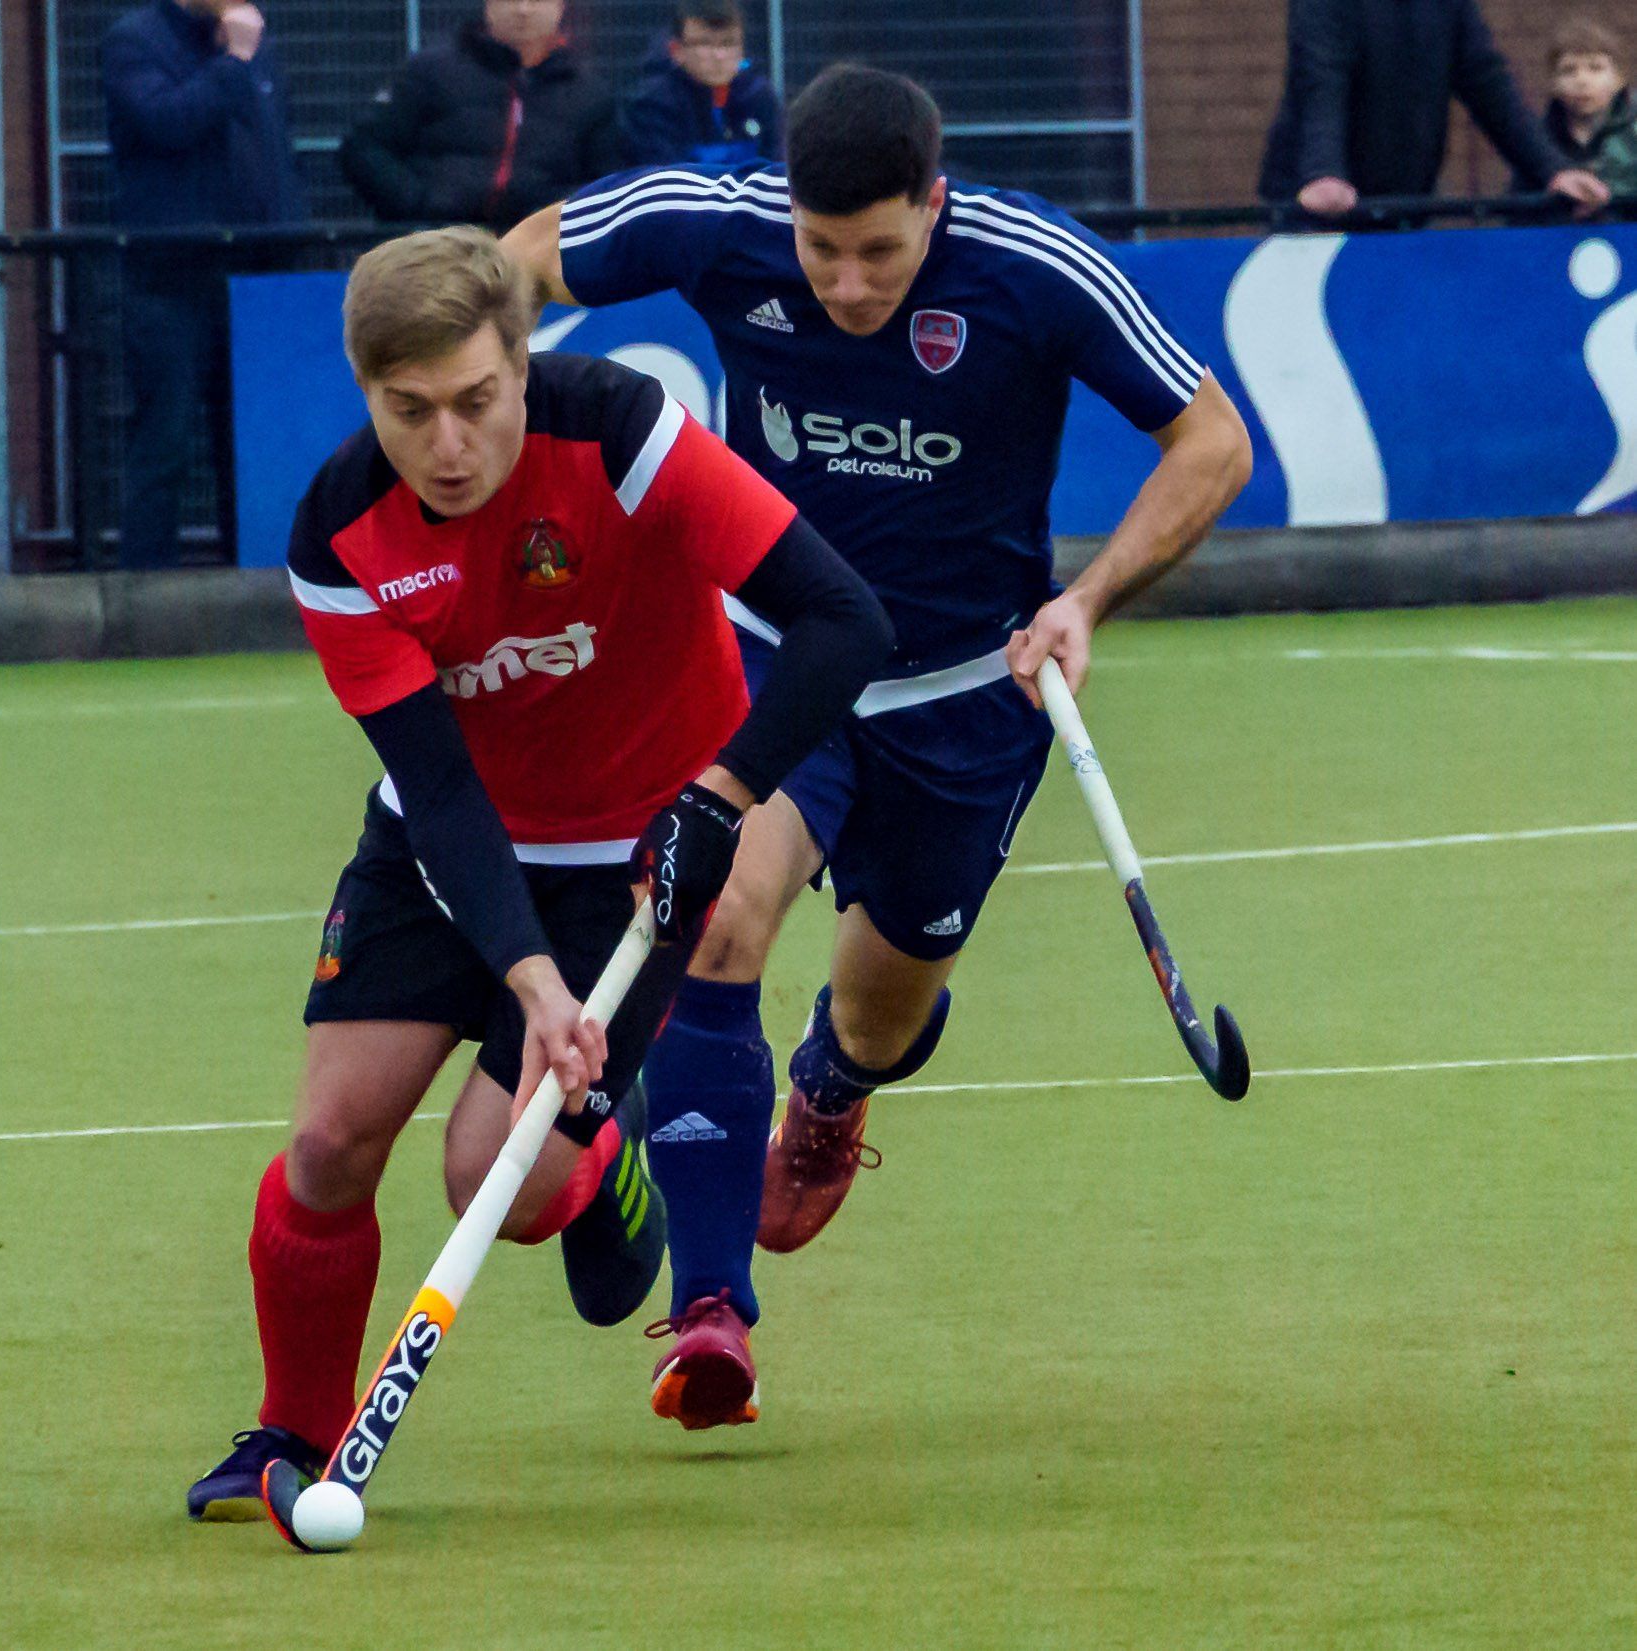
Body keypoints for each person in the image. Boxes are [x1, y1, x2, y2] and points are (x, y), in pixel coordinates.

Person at [502, 65, 1254, 1430]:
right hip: (773, 655)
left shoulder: (1033, 267)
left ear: (934, 202)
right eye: (821, 249)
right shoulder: (717, 218)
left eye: (880, 253)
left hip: (963, 692)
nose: (847, 285)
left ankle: (833, 1081)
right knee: (716, 916)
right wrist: (495, 433)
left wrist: (1085, 600)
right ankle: (712, 1311)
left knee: (882, 1010)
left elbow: (1209, 442)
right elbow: (516, 267)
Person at [184, 225, 891, 1518]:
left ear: (521, 362)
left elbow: (845, 618)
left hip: (636, 855)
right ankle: (292, 1433)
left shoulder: (623, 434)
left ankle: (606, 1162)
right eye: (409, 411)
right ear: (367, 394)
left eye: (475, 400)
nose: (447, 444)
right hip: (445, 845)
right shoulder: (340, 534)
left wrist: (721, 797)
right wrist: (530, 982)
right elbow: (441, 789)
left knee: (491, 1181)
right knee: (330, 1140)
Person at [101, 0, 306, 570]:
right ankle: (144, 594)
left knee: (250, 439)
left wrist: (289, 226)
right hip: (172, 280)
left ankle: (259, 583)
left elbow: (274, 144)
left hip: (257, 275)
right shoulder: (135, 41)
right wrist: (234, 62)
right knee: (164, 439)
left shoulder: (255, 40)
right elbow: (166, 124)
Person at [1258, 0, 1610, 219]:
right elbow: (1321, 81)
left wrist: (1553, 170)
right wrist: (1323, 173)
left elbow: (1487, 82)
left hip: (1403, 201)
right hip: (1315, 206)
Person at [341, 0, 618, 233]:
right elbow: (365, 148)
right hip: (434, 246)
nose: (523, 10)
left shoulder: (589, 94)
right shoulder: (430, 71)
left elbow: (609, 182)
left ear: (560, 6)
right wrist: (418, 204)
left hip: (537, 253)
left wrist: (551, 219)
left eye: (536, 0)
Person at [621, 1, 783, 169]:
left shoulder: (760, 97)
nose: (719, 55)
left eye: (728, 43)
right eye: (705, 43)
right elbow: (659, 176)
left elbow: (778, 167)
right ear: (676, 50)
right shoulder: (652, 105)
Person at [1521, 18, 1637, 199]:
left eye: (1595, 68)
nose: (1582, 80)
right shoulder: (1538, 140)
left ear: (1618, 79)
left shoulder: (1633, 132)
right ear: (1553, 83)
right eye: (1568, 70)